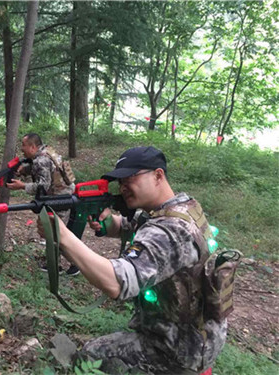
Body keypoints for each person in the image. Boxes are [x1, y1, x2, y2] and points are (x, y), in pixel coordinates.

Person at [38, 146, 226, 374]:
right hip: (195, 332)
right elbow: (134, 226)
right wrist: (109, 223)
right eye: (121, 181)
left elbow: (117, 283)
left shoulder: (171, 230)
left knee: (91, 355)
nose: (124, 187)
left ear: (158, 175)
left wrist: (63, 236)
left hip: (179, 348)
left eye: (131, 178)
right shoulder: (181, 208)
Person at [7, 133, 80, 276]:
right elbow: (48, 171)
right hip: (62, 195)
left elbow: (43, 186)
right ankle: (57, 262)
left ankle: (65, 266)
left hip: (60, 199)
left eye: (24, 145)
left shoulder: (41, 160)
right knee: (57, 232)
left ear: (33, 147)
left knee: (56, 233)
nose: (22, 149)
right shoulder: (45, 152)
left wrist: (22, 186)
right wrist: (26, 169)